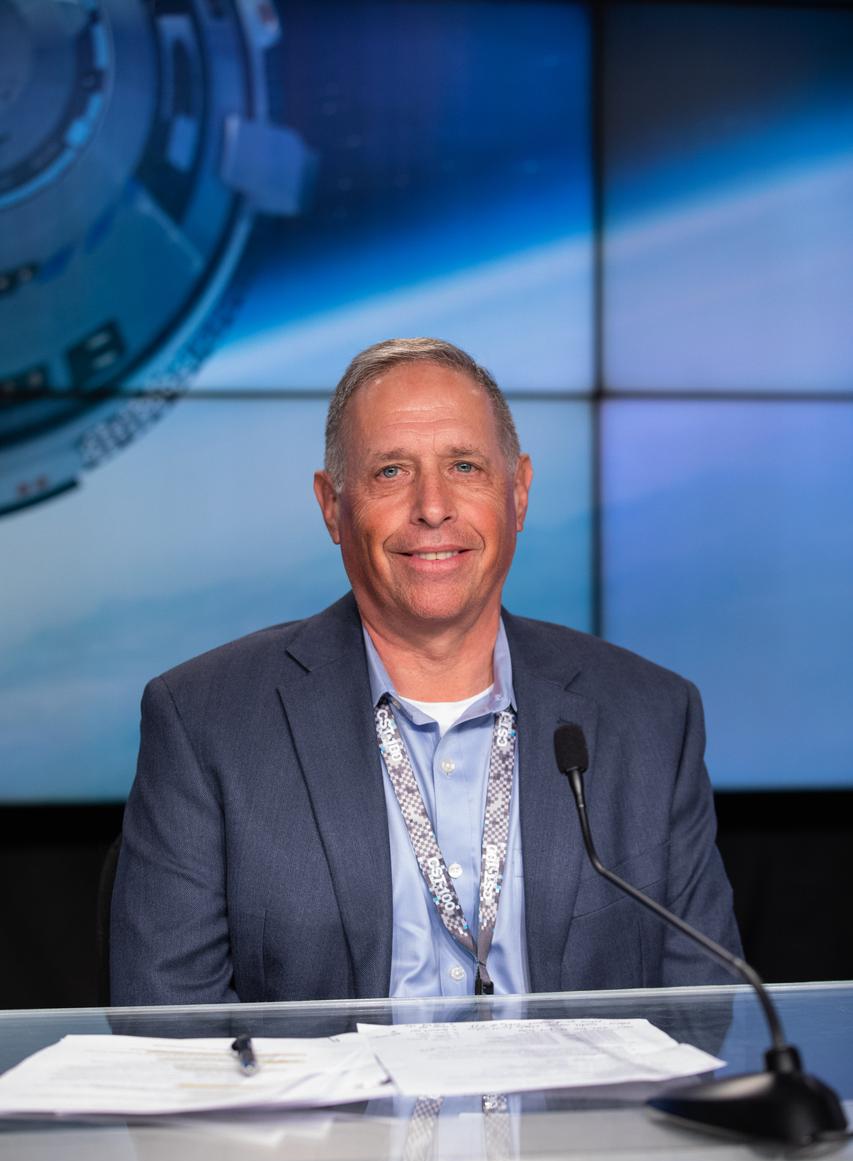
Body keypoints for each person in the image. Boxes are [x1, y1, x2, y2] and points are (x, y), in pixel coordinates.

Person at [110, 337, 741, 1005]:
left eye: (465, 466)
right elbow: (169, 1019)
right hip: (323, 1112)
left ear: (518, 493)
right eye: (390, 472)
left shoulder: (650, 717)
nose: (433, 506)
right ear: (332, 506)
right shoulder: (207, 721)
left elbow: (698, 1007)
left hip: (580, 1112)